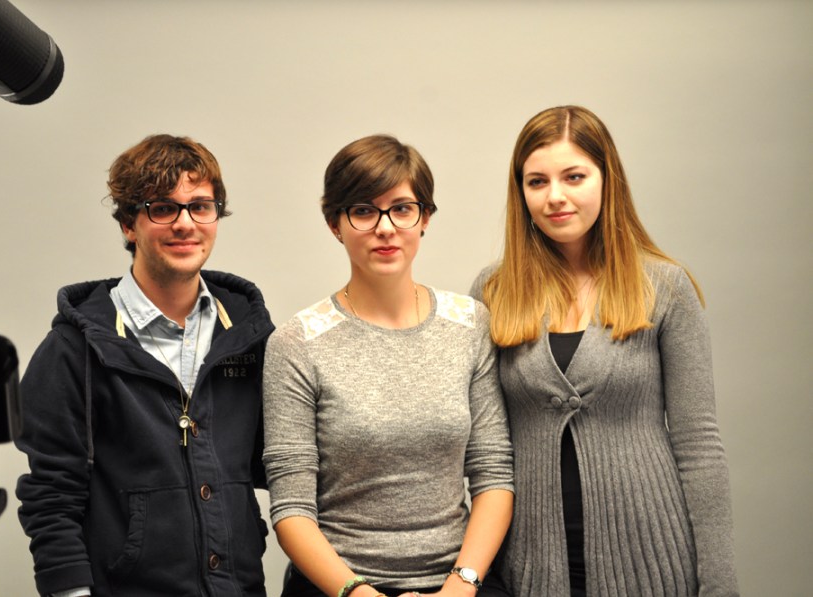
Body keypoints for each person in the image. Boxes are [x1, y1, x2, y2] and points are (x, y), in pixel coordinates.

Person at [472, 106, 739, 596]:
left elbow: (699, 444)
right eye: (537, 182)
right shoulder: (494, 291)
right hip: (530, 565)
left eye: (574, 177)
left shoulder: (665, 287)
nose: (555, 196)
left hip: (653, 561)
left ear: (607, 178)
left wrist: (720, 585)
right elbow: (484, 449)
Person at [15, 134, 274, 597]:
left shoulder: (249, 337)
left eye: (200, 206)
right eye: (163, 208)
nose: (185, 224)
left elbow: (284, 466)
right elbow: (51, 497)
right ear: (128, 224)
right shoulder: (73, 349)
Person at [262, 134, 514, 597]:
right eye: (363, 211)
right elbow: (291, 508)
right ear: (335, 224)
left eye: (402, 209)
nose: (385, 228)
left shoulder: (470, 324)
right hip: (340, 587)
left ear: (425, 218)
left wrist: (461, 584)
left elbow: (494, 473)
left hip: (458, 582)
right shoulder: (296, 343)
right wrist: (359, 593)